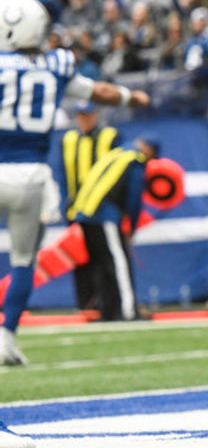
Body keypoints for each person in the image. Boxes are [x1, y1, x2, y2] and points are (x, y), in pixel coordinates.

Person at [0, 0, 149, 364]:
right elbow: (100, 92)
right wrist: (133, 97)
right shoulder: (57, 64)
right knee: (22, 261)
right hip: (31, 176)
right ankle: (5, 339)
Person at [67, 138, 178, 322]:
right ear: (149, 150)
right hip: (103, 215)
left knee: (101, 264)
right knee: (119, 263)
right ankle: (128, 311)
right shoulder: (135, 160)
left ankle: (108, 311)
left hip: (84, 213)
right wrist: (132, 226)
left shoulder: (115, 153)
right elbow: (134, 196)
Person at [60, 101, 122, 311]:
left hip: (101, 212)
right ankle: (85, 304)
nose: (84, 120)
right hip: (76, 211)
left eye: (87, 115)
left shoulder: (109, 137)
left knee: (104, 259)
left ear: (95, 114)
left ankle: (108, 304)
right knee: (80, 260)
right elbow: (63, 176)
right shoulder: (69, 140)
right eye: (80, 115)